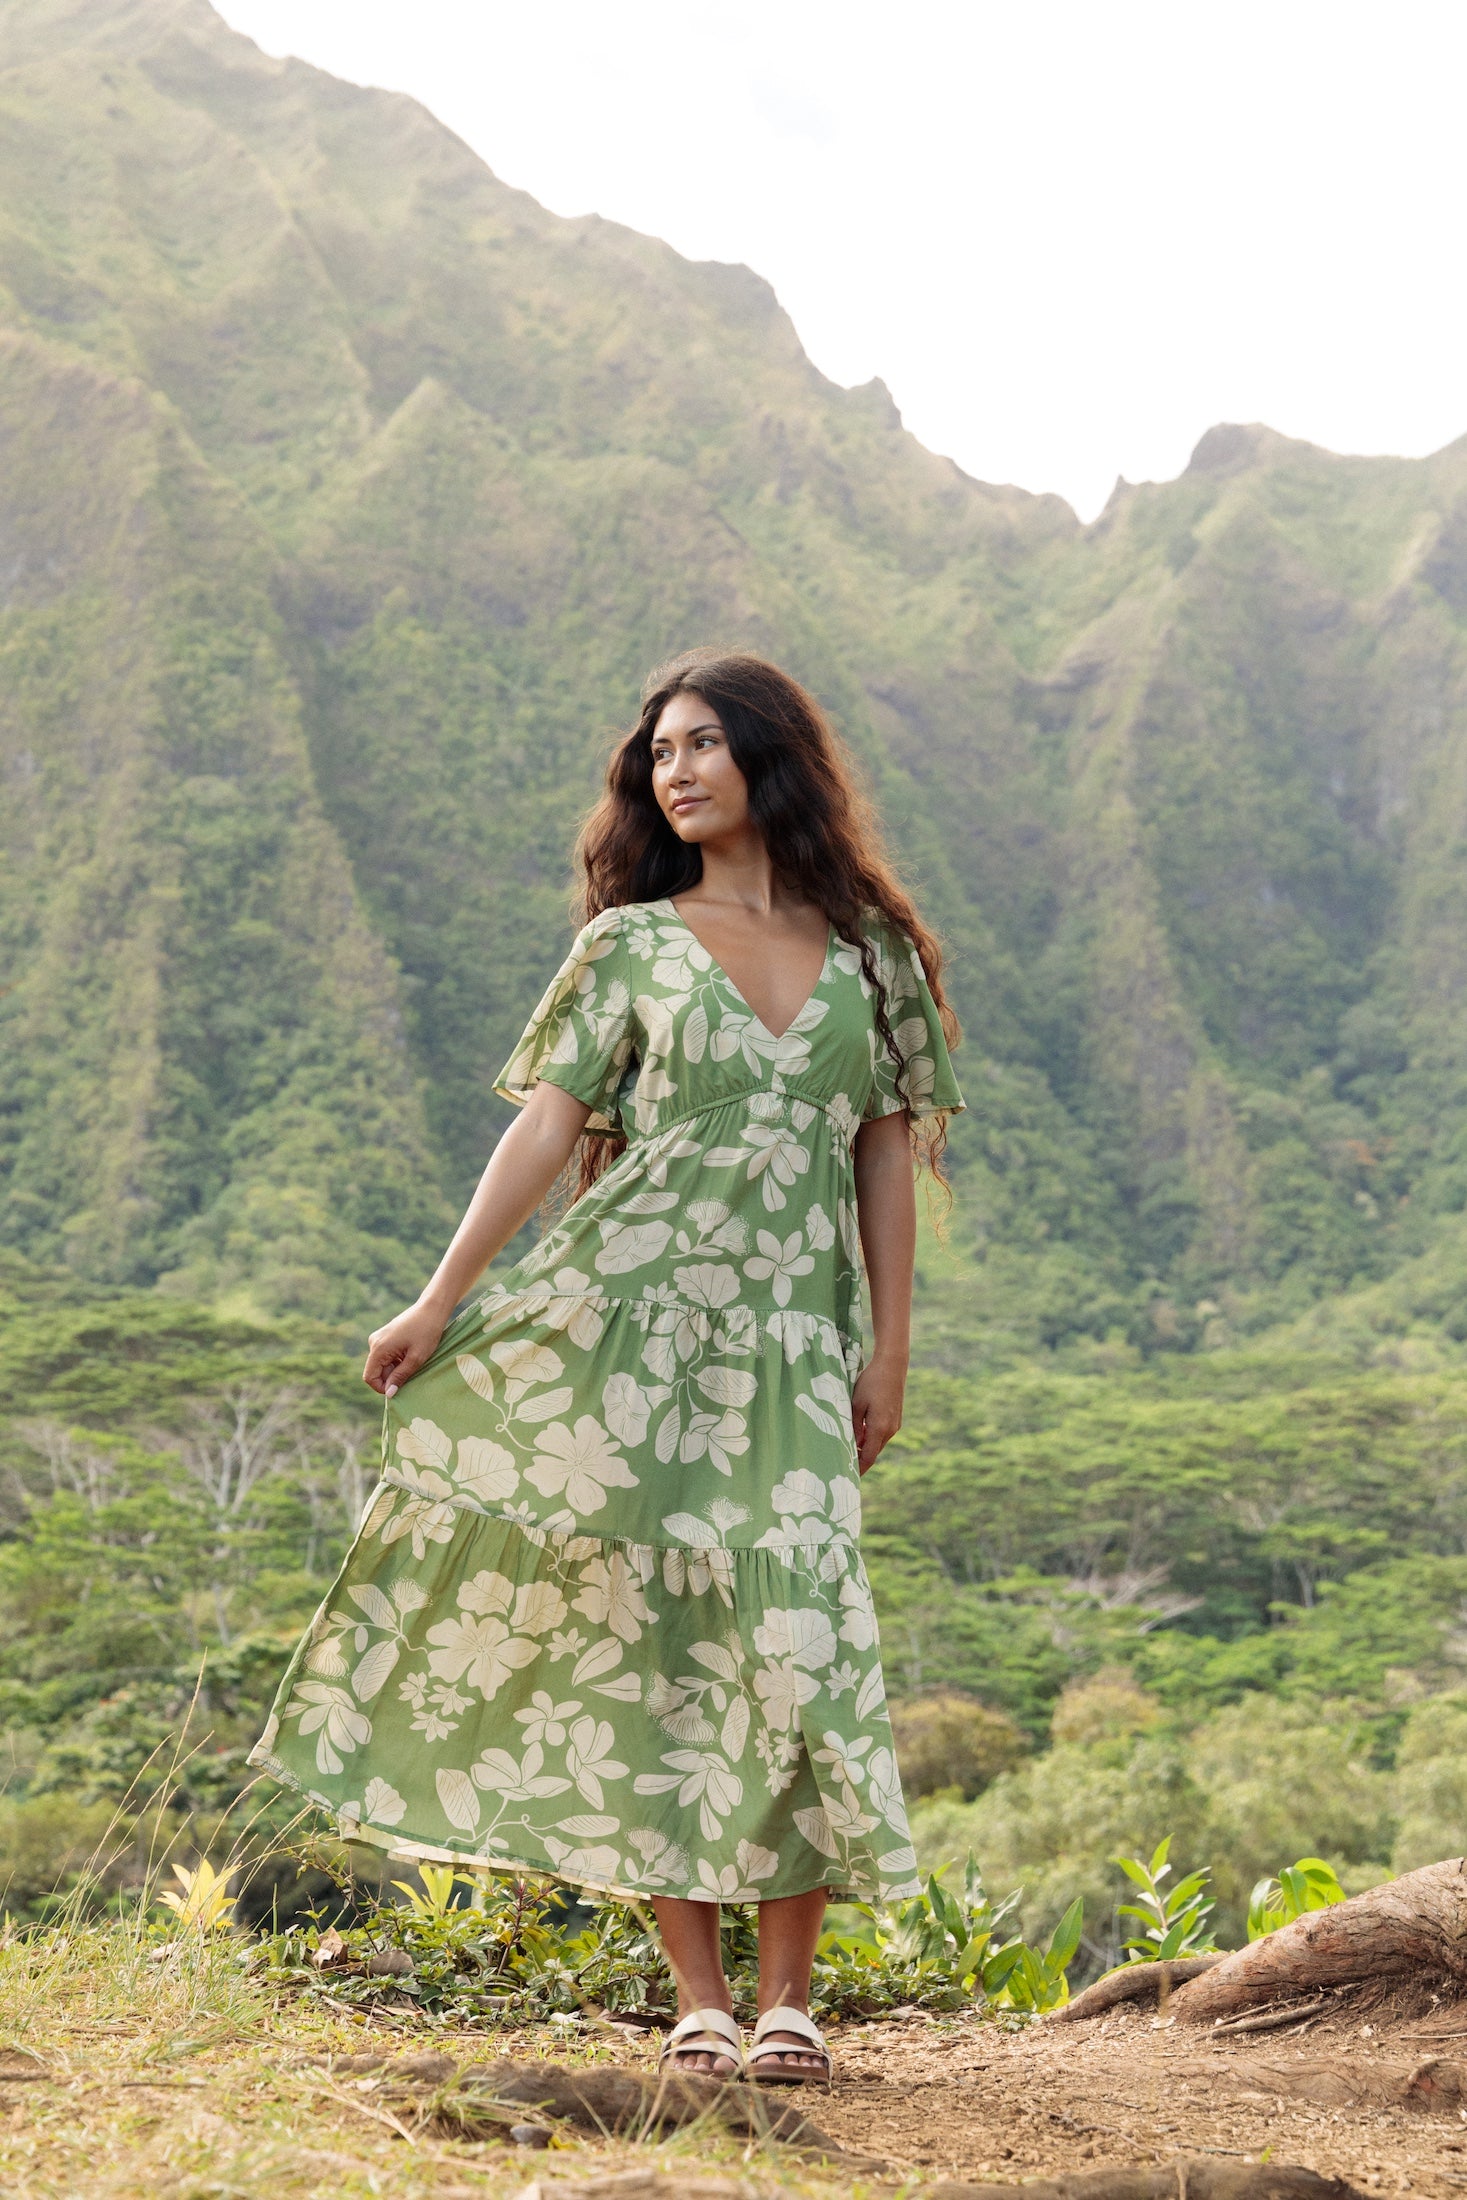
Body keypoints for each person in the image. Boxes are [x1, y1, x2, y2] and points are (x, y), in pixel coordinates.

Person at [250, 649, 963, 2085]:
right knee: (656, 1656)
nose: (676, 771)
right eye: (658, 755)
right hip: (623, 1334)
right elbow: (541, 1133)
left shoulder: (872, 959)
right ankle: (700, 1997)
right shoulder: (630, 948)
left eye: (703, 743)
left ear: (772, 756)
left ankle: (790, 1998)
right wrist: (443, 1297)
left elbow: (884, 1156)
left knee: (798, 1641)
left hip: (787, 1351)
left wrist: (889, 1348)